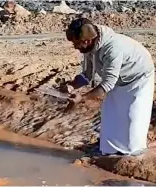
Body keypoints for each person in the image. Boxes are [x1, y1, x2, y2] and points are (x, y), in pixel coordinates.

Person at [62, 18, 155, 156]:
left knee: (133, 119)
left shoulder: (112, 48)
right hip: (118, 80)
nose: (75, 47)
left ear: (86, 41)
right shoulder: (90, 47)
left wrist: (82, 98)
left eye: (76, 43)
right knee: (110, 116)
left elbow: (108, 84)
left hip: (138, 79)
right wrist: (72, 85)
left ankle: (133, 155)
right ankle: (109, 151)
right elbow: (88, 75)